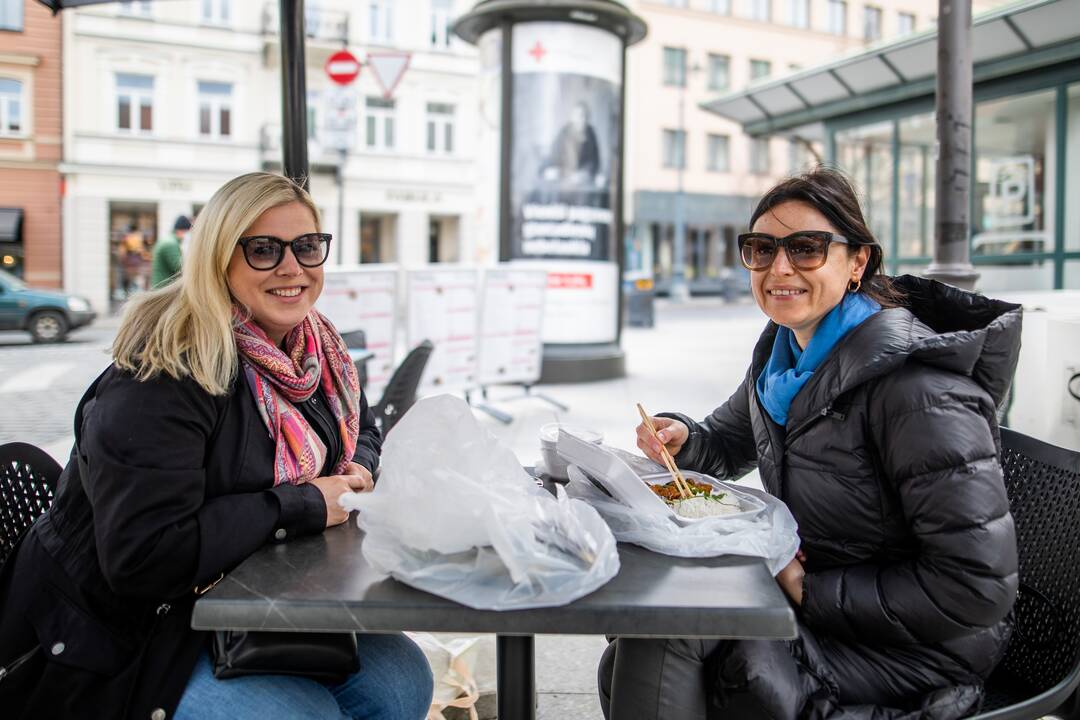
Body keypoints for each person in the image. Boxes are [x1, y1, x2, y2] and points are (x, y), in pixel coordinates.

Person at [0, 172, 434, 720]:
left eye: (306, 246)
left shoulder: (314, 348)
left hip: (245, 598)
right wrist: (304, 503)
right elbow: (144, 555)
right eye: (262, 249)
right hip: (119, 637)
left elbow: (363, 430)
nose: (291, 267)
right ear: (217, 259)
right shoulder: (164, 375)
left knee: (401, 679)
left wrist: (356, 472)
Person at [599, 167, 1021, 720]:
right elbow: (727, 440)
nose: (779, 268)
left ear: (857, 263)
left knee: (670, 635)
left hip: (917, 650)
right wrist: (683, 438)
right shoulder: (788, 357)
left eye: (806, 248)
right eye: (761, 248)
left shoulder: (920, 392)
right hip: (829, 603)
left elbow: (973, 589)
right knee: (637, 639)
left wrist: (808, 588)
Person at [542, 101, 600, 186]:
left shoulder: (591, 134)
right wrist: (562, 173)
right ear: (572, 117)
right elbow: (553, 160)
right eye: (579, 116)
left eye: (585, 116)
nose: (582, 120)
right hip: (563, 183)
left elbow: (595, 162)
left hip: (584, 184)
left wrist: (585, 173)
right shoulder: (563, 134)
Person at [151, 214, 191, 288]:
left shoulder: (166, 240)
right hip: (163, 289)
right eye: (188, 231)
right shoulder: (171, 244)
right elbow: (180, 268)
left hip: (160, 286)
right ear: (183, 231)